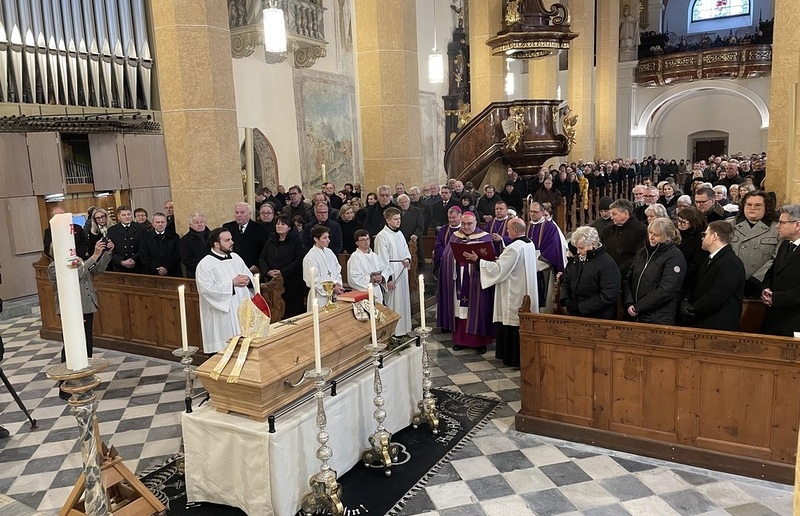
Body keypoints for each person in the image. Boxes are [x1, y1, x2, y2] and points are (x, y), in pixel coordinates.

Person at [47, 237, 113, 398]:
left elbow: (96, 270)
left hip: (86, 306)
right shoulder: (54, 266)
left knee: (86, 346)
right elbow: (76, 274)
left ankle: (84, 379)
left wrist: (106, 253)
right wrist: (95, 255)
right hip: (71, 310)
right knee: (71, 348)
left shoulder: (77, 261)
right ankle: (65, 386)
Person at [470, 218, 538, 367]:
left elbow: (499, 270)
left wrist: (478, 261)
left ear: (515, 231)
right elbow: (508, 264)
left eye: (508, 229)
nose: (506, 232)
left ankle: (511, 358)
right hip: (525, 289)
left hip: (513, 291)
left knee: (512, 321)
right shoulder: (529, 243)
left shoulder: (514, 248)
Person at [437, 212, 495, 354]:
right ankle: (460, 340)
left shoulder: (484, 237)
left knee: (478, 309)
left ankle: (479, 342)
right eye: (463, 223)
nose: (466, 227)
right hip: (459, 278)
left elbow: (491, 259)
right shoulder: (456, 236)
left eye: (469, 223)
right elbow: (446, 256)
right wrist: (455, 259)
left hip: (476, 279)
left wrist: (477, 260)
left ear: (476, 223)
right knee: (459, 309)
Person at [195, 228, 255, 354]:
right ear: (217, 244)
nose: (232, 242)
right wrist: (231, 284)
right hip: (222, 314)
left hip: (241, 307)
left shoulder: (235, 257)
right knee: (225, 349)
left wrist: (248, 280)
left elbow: (249, 274)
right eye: (227, 240)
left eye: (231, 239)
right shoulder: (205, 264)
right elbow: (206, 290)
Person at [680, 220, 745, 331]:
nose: (702, 238)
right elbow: (695, 283)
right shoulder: (710, 259)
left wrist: (693, 309)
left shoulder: (730, 263)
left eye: (704, 234)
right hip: (702, 320)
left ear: (714, 236)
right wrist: (685, 300)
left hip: (716, 324)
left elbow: (717, 294)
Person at [623, 218, 687, 325]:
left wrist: (638, 307)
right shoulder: (643, 251)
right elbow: (628, 278)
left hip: (658, 316)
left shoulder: (675, 257)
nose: (651, 237)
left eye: (656, 235)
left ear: (667, 236)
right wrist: (629, 302)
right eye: (650, 233)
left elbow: (666, 290)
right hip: (634, 313)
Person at [559, 226, 621, 320]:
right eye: (577, 248)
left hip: (598, 317)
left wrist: (581, 308)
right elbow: (567, 280)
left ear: (592, 244)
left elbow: (608, 295)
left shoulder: (607, 264)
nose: (578, 252)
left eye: (581, 248)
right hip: (575, 313)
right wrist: (566, 299)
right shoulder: (578, 259)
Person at [728, 191, 779, 297]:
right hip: (731, 283)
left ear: (766, 207)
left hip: (759, 285)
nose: (752, 208)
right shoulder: (729, 225)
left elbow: (776, 259)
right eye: (749, 204)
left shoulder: (777, 229)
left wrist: (756, 280)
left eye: (758, 205)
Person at [760, 204, 800, 336]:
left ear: (797, 225)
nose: (777, 226)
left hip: (794, 318)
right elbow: (773, 271)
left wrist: (776, 298)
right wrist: (765, 288)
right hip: (774, 315)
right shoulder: (784, 245)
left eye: (782, 222)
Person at [259, 215, 307, 318]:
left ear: (289, 227)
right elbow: (262, 258)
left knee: (291, 312)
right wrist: (267, 271)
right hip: (272, 281)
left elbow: (299, 260)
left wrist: (282, 272)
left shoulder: (296, 240)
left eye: (283, 224)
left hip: (290, 282)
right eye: (277, 224)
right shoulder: (271, 240)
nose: (279, 226)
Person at [375, 208, 412, 339]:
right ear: (388, 220)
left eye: (399, 219)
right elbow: (381, 259)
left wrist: (407, 258)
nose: (398, 222)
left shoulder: (400, 233)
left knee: (403, 301)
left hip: (402, 269)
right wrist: (388, 278)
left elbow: (405, 249)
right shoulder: (381, 236)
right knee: (393, 302)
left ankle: (404, 329)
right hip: (392, 271)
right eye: (396, 219)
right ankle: (394, 332)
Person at [526, 202, 567, 312]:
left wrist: (538, 261)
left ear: (543, 212)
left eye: (535, 212)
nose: (532, 214)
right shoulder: (526, 225)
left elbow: (554, 247)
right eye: (531, 211)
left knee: (543, 298)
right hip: (526, 266)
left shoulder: (550, 227)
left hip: (543, 266)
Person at [600, 199, 648, 277]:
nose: (611, 217)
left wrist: (619, 271)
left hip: (630, 275)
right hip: (608, 273)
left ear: (625, 213)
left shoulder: (642, 230)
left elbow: (640, 256)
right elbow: (602, 251)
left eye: (614, 214)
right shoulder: (607, 231)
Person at [303, 225, 344, 310]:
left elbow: (337, 269)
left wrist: (338, 285)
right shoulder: (310, 257)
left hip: (334, 295)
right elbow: (312, 280)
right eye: (325, 238)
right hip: (319, 296)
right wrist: (331, 288)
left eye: (328, 237)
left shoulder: (329, 252)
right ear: (316, 239)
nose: (328, 240)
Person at [347, 229, 393, 304]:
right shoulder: (355, 258)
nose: (366, 242)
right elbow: (353, 278)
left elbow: (385, 268)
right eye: (362, 240)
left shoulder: (374, 256)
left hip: (377, 291)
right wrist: (371, 279)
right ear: (357, 243)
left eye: (367, 239)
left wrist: (382, 277)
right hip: (364, 293)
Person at [222, 202, 269, 273]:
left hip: (252, 269)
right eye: (237, 212)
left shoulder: (260, 229)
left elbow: (264, 251)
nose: (239, 215)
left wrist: (257, 265)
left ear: (249, 214)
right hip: (231, 269)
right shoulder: (227, 227)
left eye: (242, 212)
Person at [675, 206, 709, 290]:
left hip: (688, 280)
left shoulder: (700, 239)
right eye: (678, 220)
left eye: (683, 222)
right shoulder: (676, 234)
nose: (679, 224)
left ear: (694, 223)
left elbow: (696, 265)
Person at [106, 205, 144, 273]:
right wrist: (121, 262)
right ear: (119, 217)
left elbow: (144, 248)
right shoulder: (112, 230)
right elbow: (110, 250)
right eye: (123, 215)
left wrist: (134, 259)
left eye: (129, 214)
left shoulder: (141, 228)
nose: (127, 217)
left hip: (138, 265)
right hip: (119, 267)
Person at [180, 212, 210, 278]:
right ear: (190, 225)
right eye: (196, 223)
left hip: (212, 271)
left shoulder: (212, 236)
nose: (199, 224)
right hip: (195, 273)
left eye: (202, 222)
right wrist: (202, 267)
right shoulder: (185, 240)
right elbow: (186, 259)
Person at [433, 206, 462, 276]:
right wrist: (448, 254)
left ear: (460, 216)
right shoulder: (443, 230)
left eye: (454, 217)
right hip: (446, 261)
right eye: (449, 217)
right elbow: (438, 245)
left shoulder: (465, 229)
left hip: (461, 263)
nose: (451, 220)